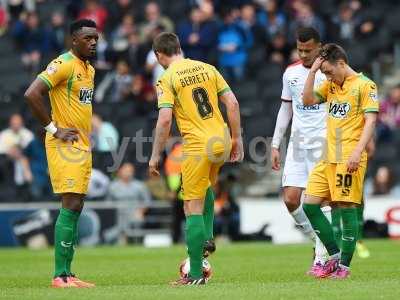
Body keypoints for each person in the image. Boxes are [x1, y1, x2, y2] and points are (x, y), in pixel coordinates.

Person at [148, 32, 243, 285]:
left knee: (190, 206)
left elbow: (165, 119)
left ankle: (195, 275)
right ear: (179, 47)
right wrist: (237, 139)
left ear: (159, 55)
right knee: (206, 188)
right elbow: (232, 103)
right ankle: (208, 235)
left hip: (197, 145)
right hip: (221, 139)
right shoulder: (207, 68)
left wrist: (156, 155)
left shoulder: (166, 78)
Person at [24, 19, 98, 288]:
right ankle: (59, 275)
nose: (93, 43)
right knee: (70, 203)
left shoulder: (88, 69)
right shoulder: (63, 63)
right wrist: (53, 129)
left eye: (96, 39)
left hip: (81, 144)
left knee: (77, 204)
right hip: (64, 144)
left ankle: (68, 273)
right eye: (87, 38)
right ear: (74, 40)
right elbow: (32, 94)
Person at [302, 43, 379, 279]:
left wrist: (358, 151)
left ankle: (344, 267)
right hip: (328, 156)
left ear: (342, 64)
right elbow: (306, 101)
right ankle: (334, 256)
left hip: (349, 156)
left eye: (328, 71)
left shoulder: (366, 85)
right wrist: (313, 72)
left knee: (346, 208)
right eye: (324, 73)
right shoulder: (331, 85)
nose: (328, 76)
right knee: (309, 204)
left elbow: (371, 121)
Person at [271, 27, 330, 276]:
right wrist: (275, 144)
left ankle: (320, 259)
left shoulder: (330, 73)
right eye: (300, 49)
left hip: (324, 142)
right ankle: (323, 241)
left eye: (308, 50)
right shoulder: (291, 73)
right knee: (291, 199)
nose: (304, 54)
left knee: (320, 202)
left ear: (319, 47)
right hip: (297, 144)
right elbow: (286, 109)